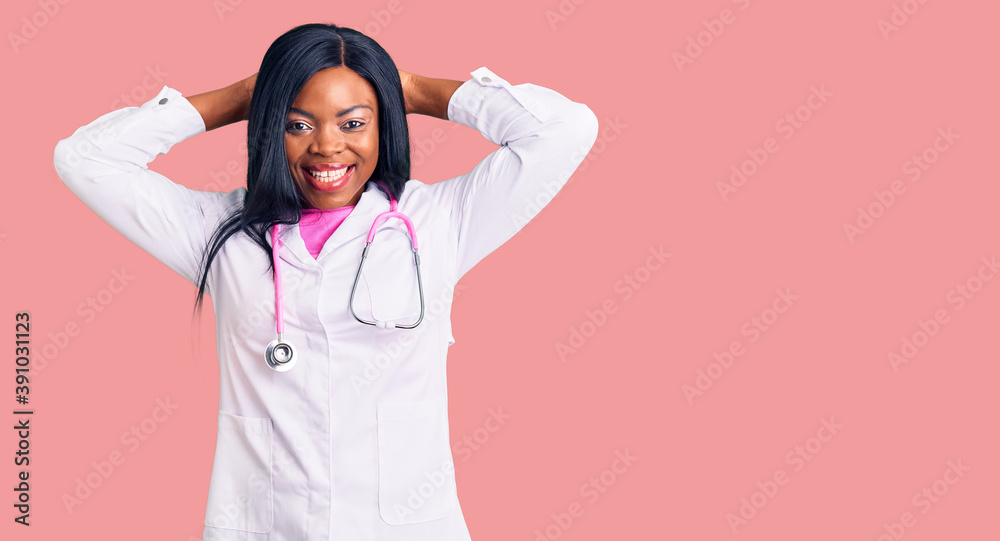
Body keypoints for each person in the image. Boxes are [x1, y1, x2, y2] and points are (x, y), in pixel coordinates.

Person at [53, 22, 598, 540]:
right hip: (270, 526)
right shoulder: (221, 234)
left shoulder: (438, 222)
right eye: (298, 123)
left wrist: (410, 88)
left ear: (384, 121)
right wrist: (247, 94)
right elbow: (85, 159)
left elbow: (565, 128)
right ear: (270, 127)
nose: (327, 147)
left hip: (401, 527)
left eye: (353, 122)